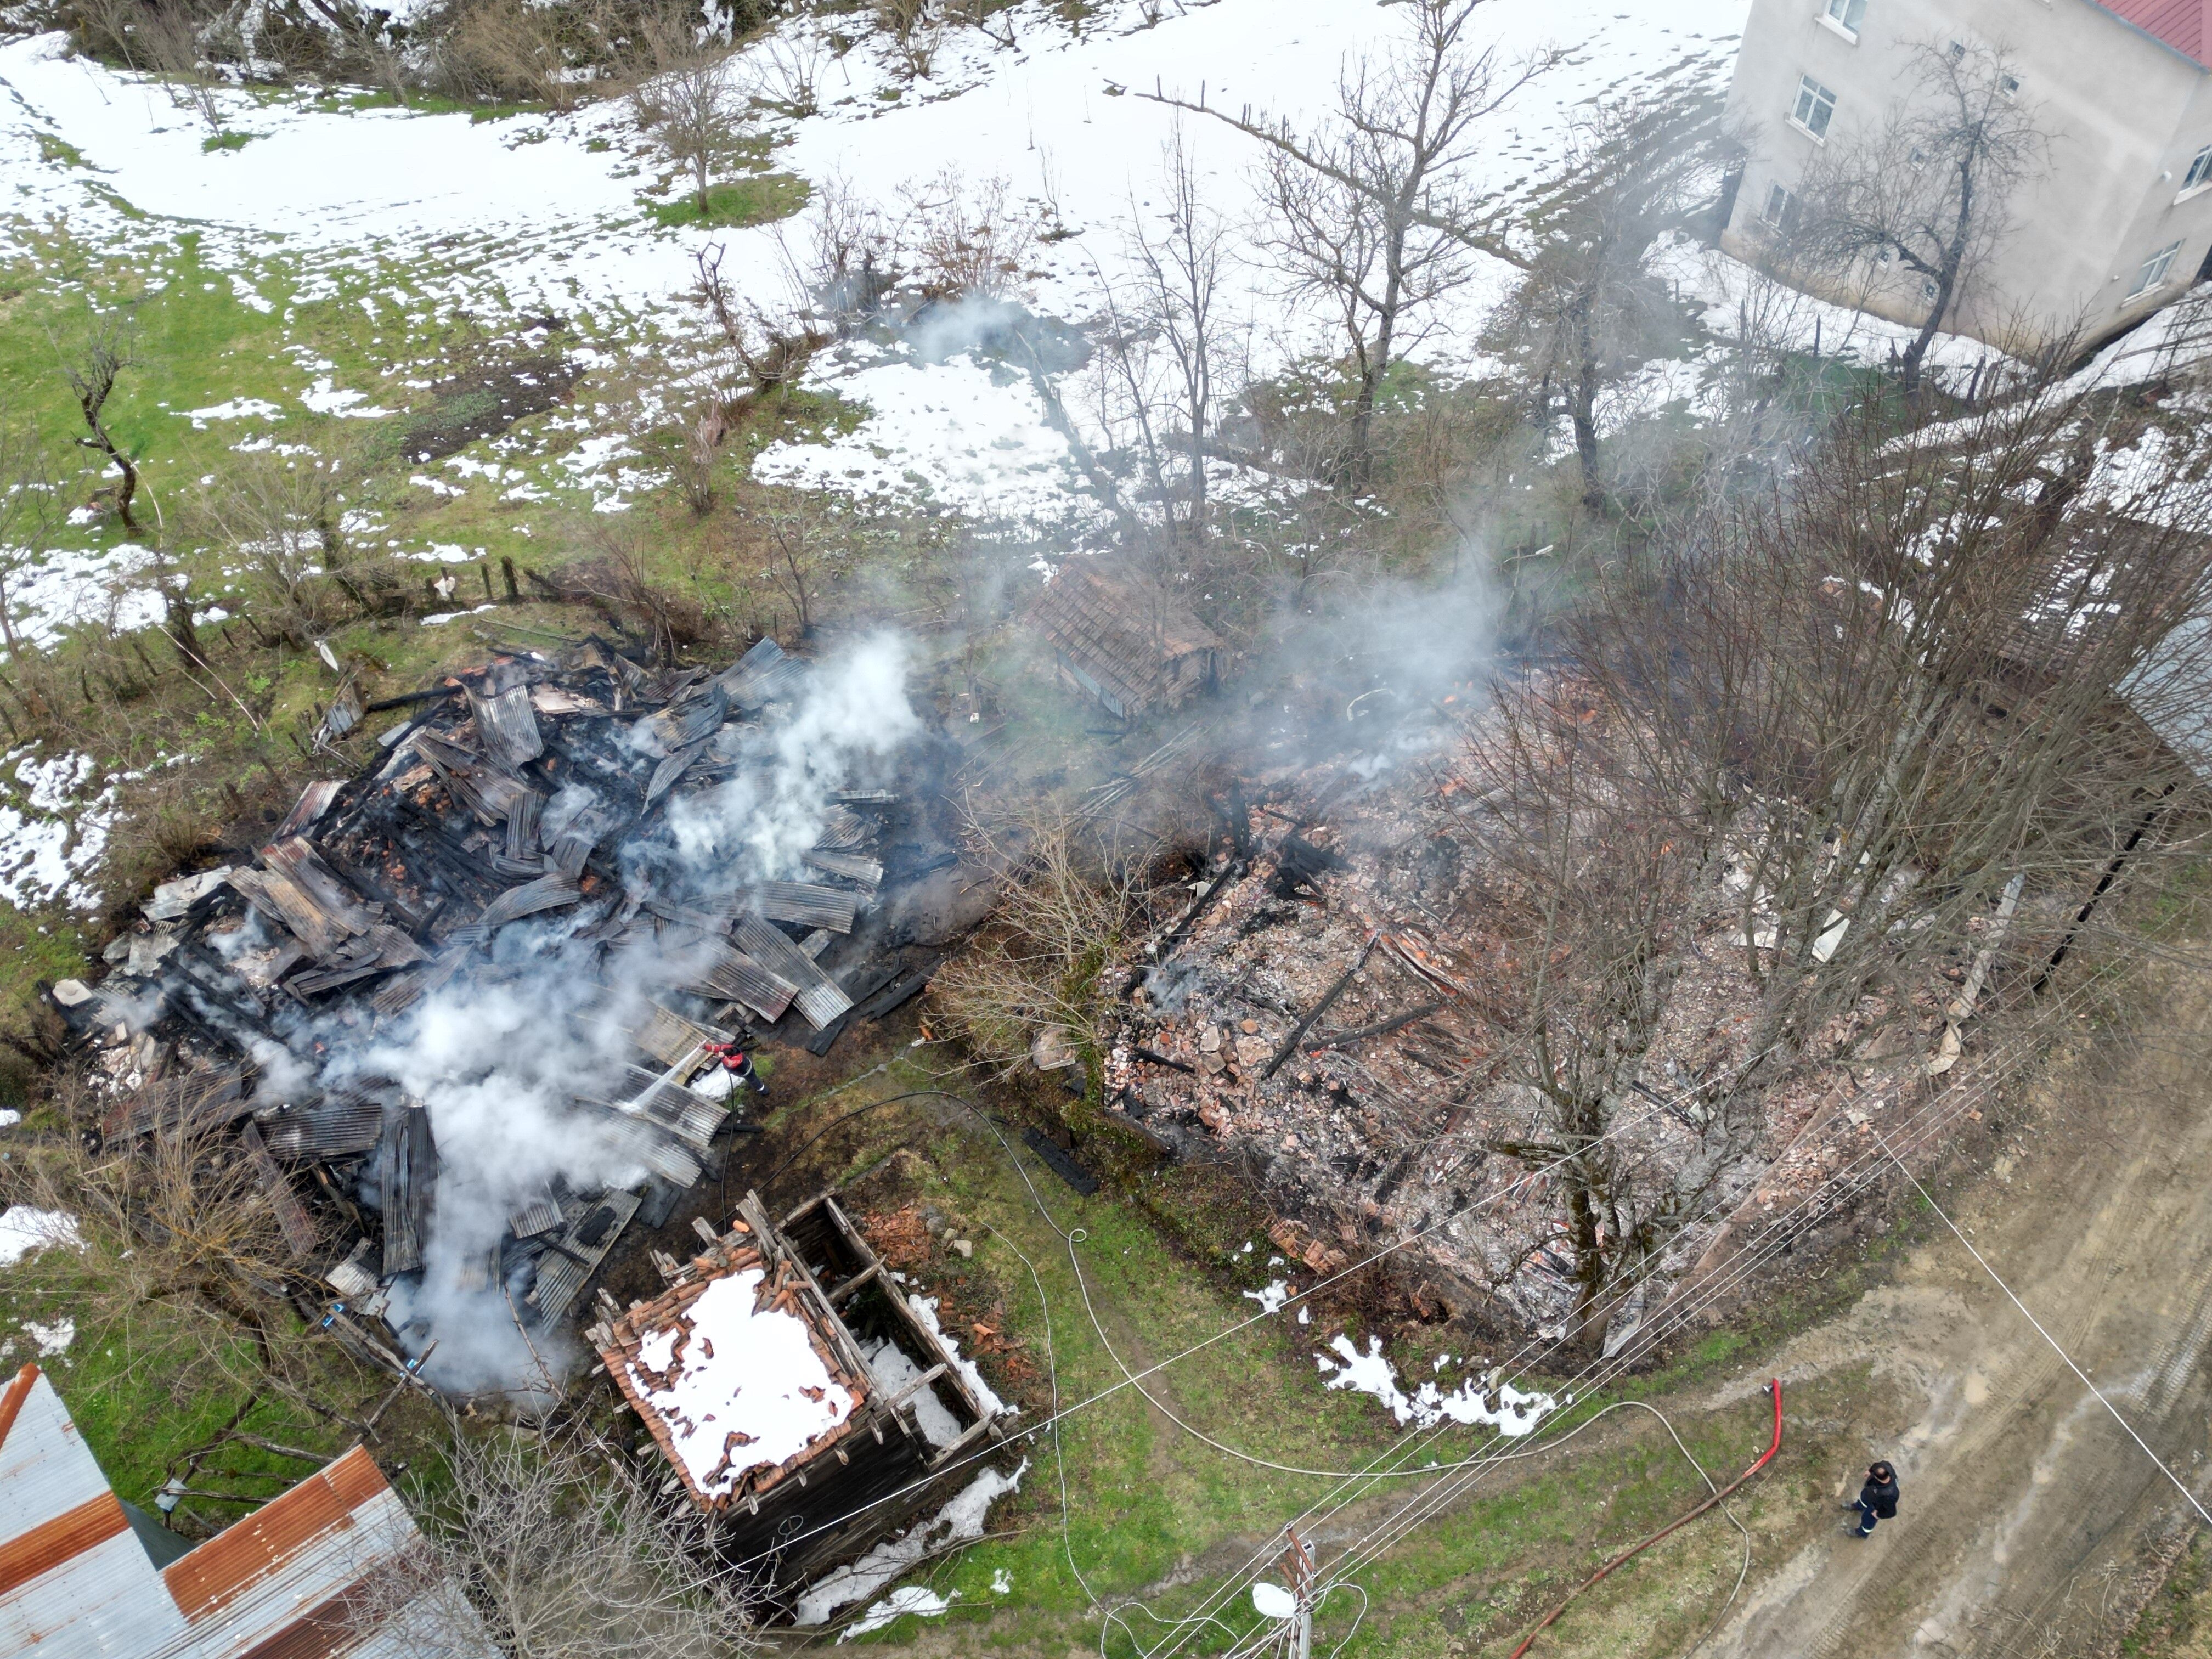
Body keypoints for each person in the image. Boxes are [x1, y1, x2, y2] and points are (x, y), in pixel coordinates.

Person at [1846, 1460, 1900, 1537]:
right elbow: (1878, 1465)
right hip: (1869, 1493)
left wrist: (1878, 1514)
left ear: (1877, 1478)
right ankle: (1858, 1507)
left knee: (1867, 1520)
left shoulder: (1889, 1495)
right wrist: (1870, 1470)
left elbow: (1892, 1512)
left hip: (1876, 1506)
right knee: (1863, 1499)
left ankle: (1862, 1533)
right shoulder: (1886, 1467)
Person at [701, 1040, 768, 1098]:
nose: (717, 1054)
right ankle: (757, 1087)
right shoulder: (726, 1048)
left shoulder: (737, 1059)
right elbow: (715, 1048)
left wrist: (723, 1057)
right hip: (742, 1070)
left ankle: (764, 1092)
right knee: (751, 1080)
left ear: (728, 1056)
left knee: (754, 1080)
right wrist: (705, 1047)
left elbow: (730, 1064)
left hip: (747, 1070)